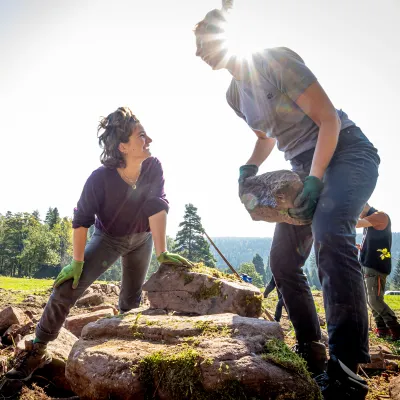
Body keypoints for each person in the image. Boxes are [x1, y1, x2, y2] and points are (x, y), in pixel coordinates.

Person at [194, 9, 380, 399]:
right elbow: (266, 135)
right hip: (300, 167)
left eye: (208, 44)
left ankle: (347, 370)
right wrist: (250, 164)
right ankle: (312, 351)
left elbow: (327, 118)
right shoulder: (233, 94)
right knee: (282, 262)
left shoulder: (276, 60)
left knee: (331, 232)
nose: (205, 55)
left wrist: (315, 179)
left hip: (346, 152)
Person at [6, 106, 192, 381]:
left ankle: (125, 353)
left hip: (142, 239)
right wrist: (78, 262)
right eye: (142, 135)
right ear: (123, 146)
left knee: (131, 301)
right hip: (108, 239)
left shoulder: (153, 166)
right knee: (66, 288)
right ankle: (38, 350)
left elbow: (157, 204)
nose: (149, 140)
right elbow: (81, 220)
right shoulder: (99, 179)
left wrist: (162, 251)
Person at [357, 203, 400, 341]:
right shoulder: (370, 220)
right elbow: (373, 241)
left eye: (357, 210)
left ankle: (395, 328)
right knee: (371, 300)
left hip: (376, 266)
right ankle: (382, 329)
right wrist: (362, 248)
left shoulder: (379, 215)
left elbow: (356, 224)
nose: (357, 214)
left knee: (374, 300)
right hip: (367, 265)